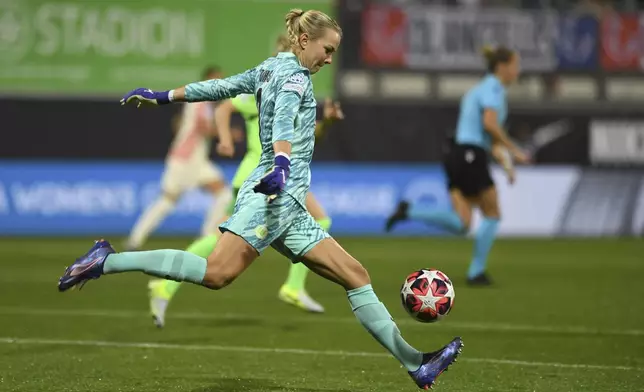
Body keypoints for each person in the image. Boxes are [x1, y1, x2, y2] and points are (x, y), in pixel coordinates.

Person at [58, 9, 462, 390]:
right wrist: (282, 165)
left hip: (289, 203)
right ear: (305, 40)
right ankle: (106, 261)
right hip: (275, 195)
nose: (327, 59)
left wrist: (164, 96)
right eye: (327, 50)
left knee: (355, 275)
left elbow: (219, 88)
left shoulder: (271, 67)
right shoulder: (295, 79)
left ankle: (417, 365)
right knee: (217, 274)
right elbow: (283, 123)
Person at [147, 35, 344, 326]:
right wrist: (225, 138)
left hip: (282, 176)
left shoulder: (297, 86)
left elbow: (303, 137)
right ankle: (291, 287)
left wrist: (326, 120)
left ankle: (166, 284)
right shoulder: (269, 85)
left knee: (317, 221)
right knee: (223, 240)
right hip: (261, 174)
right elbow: (226, 105)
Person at [386, 46, 530, 286]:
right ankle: (476, 272)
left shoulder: (481, 89)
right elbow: (490, 125)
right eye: (515, 65)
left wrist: (507, 166)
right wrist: (515, 150)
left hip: (455, 154)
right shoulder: (493, 88)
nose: (518, 70)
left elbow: (491, 139)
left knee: (462, 223)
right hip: (470, 154)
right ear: (502, 67)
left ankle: (409, 210)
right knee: (492, 213)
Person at [125, 66, 234, 251]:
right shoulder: (201, 101)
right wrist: (227, 134)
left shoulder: (200, 102)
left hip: (197, 161)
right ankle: (135, 239)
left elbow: (183, 124)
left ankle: (206, 237)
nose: (219, 85)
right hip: (184, 161)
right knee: (167, 201)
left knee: (224, 194)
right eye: (215, 80)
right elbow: (203, 126)